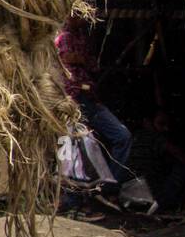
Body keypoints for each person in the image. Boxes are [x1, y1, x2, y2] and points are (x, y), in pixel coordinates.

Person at [55, 12, 132, 186]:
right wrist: (81, 60)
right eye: (77, 14)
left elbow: (92, 64)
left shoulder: (83, 37)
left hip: (89, 99)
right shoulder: (62, 37)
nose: (81, 18)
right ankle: (73, 198)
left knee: (122, 136)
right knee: (73, 145)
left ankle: (108, 188)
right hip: (71, 100)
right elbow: (67, 57)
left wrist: (83, 60)